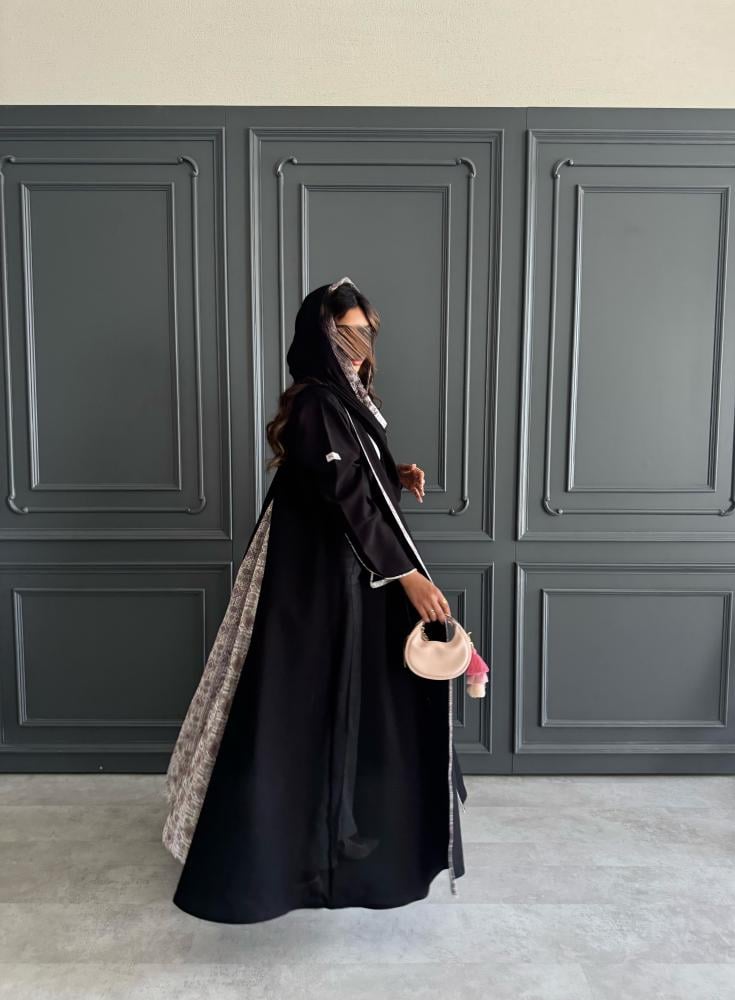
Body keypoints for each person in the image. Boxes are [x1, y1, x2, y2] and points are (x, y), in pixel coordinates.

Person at [161, 276, 469, 924]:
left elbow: (354, 476)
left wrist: (393, 472)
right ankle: (286, 853)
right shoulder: (315, 403)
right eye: (345, 334)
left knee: (332, 701)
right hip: (315, 578)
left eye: (365, 333)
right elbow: (345, 496)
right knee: (297, 702)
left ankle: (330, 835)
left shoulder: (346, 398)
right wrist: (406, 576)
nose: (359, 345)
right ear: (319, 337)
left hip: (342, 572)